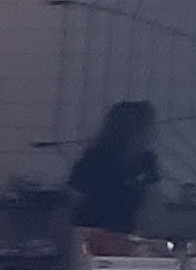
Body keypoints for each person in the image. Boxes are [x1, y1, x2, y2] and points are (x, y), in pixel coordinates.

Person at [63, 100, 160, 241]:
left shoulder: (147, 161)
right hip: (92, 235)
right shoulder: (95, 159)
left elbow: (151, 201)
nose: (154, 132)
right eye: (149, 127)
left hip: (127, 235)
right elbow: (70, 203)